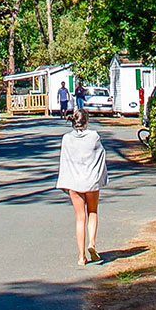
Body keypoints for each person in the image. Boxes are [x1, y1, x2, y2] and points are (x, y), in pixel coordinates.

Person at [56, 109, 108, 265]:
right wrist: (101, 177)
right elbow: (101, 155)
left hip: (74, 183)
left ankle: (81, 257)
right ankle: (91, 243)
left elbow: (64, 160)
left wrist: (65, 182)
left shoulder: (66, 139)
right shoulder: (94, 136)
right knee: (92, 212)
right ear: (87, 121)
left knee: (80, 218)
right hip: (91, 181)